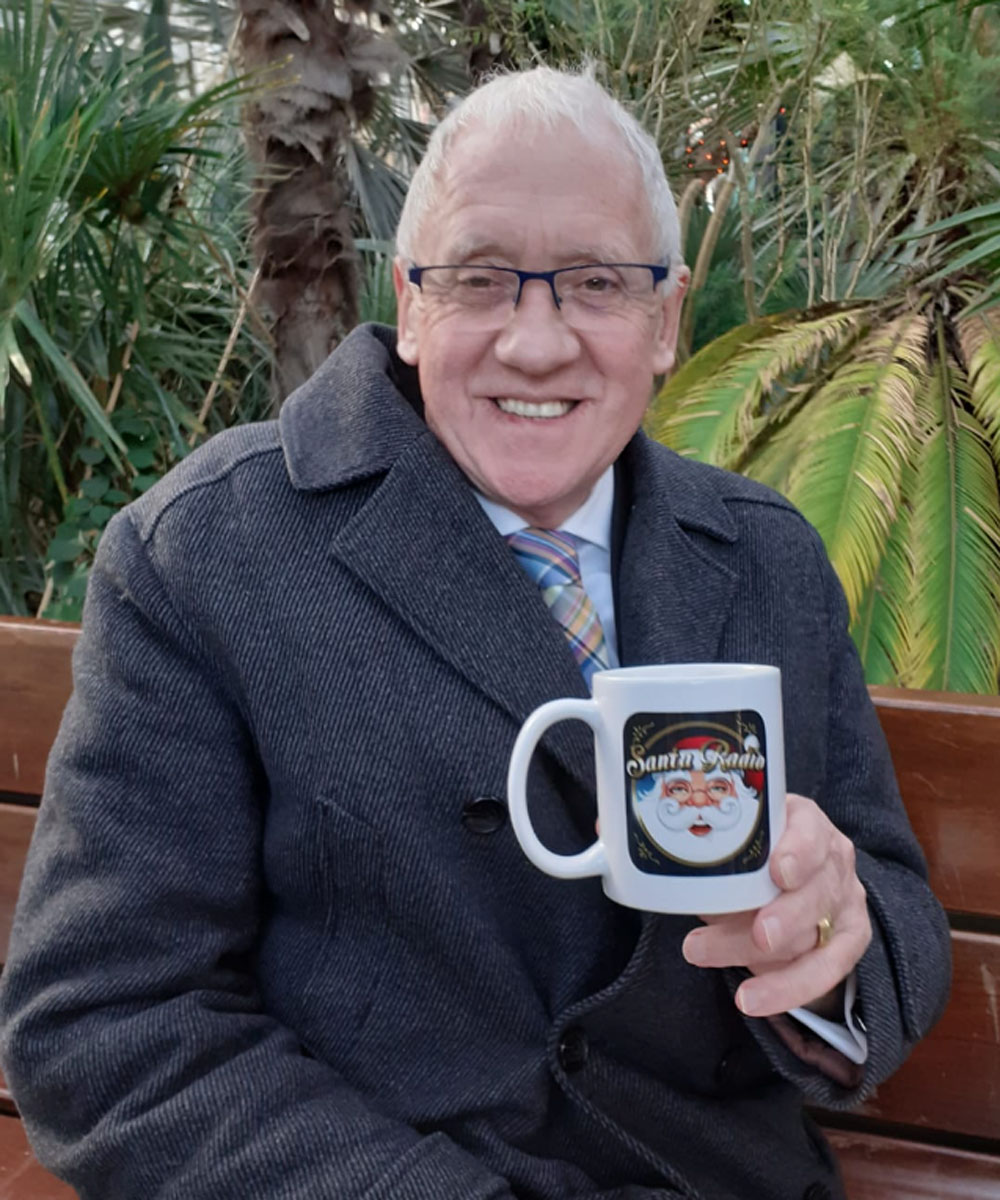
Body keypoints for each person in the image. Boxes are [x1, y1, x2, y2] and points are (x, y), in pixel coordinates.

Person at [0, 66, 950, 1200]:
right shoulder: (209, 556)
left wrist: (828, 942)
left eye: (597, 282)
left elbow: (887, 907)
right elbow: (105, 1023)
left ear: (665, 320)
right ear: (411, 304)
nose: (536, 344)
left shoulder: (765, 555)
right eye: (481, 280)